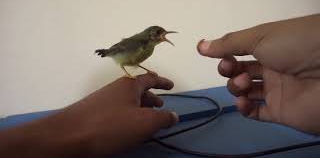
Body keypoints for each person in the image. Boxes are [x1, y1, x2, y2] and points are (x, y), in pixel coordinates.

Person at [0, 14, 319, 157]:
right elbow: (124, 53)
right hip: (121, 55)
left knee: (135, 65)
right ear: (150, 35)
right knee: (126, 63)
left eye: (160, 35)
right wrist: (112, 54)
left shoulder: (148, 48)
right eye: (158, 34)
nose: (161, 37)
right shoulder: (138, 42)